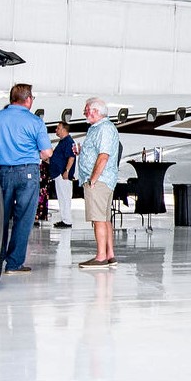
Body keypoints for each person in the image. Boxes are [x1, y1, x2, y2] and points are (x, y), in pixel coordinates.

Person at [0, 84, 52, 274]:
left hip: (3, 172)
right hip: (28, 173)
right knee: (23, 219)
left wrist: (1, 159)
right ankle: (14, 264)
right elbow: (46, 153)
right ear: (28, 99)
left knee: (1, 217)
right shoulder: (35, 121)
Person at [74, 97, 120, 268]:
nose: (84, 112)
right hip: (101, 180)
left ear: (95, 111)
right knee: (105, 219)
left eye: (86, 109)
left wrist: (93, 179)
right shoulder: (96, 128)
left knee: (99, 219)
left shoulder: (105, 129)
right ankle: (109, 255)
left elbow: (104, 156)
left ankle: (100, 257)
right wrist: (82, 152)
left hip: (99, 181)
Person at [48, 120, 77, 229]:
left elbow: (71, 157)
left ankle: (67, 220)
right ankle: (65, 219)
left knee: (65, 197)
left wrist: (67, 171)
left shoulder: (68, 142)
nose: (56, 130)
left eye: (58, 128)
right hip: (58, 174)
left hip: (63, 175)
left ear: (64, 129)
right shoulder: (63, 142)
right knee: (62, 197)